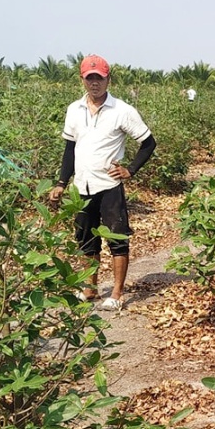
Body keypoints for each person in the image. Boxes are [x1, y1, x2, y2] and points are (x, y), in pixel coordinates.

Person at [49, 55, 157, 311]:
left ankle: (117, 293)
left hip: (109, 187)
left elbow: (148, 143)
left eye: (99, 78)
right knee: (86, 240)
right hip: (82, 187)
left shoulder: (122, 111)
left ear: (108, 79)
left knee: (117, 239)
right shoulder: (74, 110)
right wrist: (62, 183)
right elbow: (69, 149)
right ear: (82, 80)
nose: (94, 83)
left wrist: (130, 169)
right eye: (90, 78)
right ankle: (90, 288)